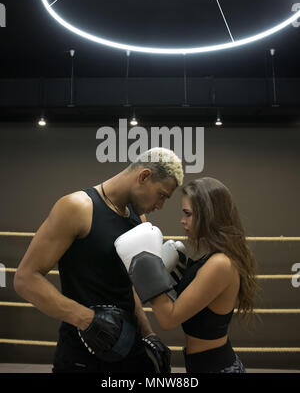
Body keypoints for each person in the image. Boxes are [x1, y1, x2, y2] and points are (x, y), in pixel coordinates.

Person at [13, 147, 184, 374]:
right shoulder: (77, 208)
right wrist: (86, 319)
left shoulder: (138, 218)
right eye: (162, 194)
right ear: (144, 176)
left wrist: (148, 334)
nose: (160, 205)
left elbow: (127, 286)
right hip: (82, 354)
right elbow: (25, 279)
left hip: (128, 347)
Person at [115, 177, 259, 373]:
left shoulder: (220, 264)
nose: (182, 220)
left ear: (209, 215)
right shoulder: (211, 258)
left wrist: (146, 267)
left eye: (188, 214)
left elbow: (168, 319)